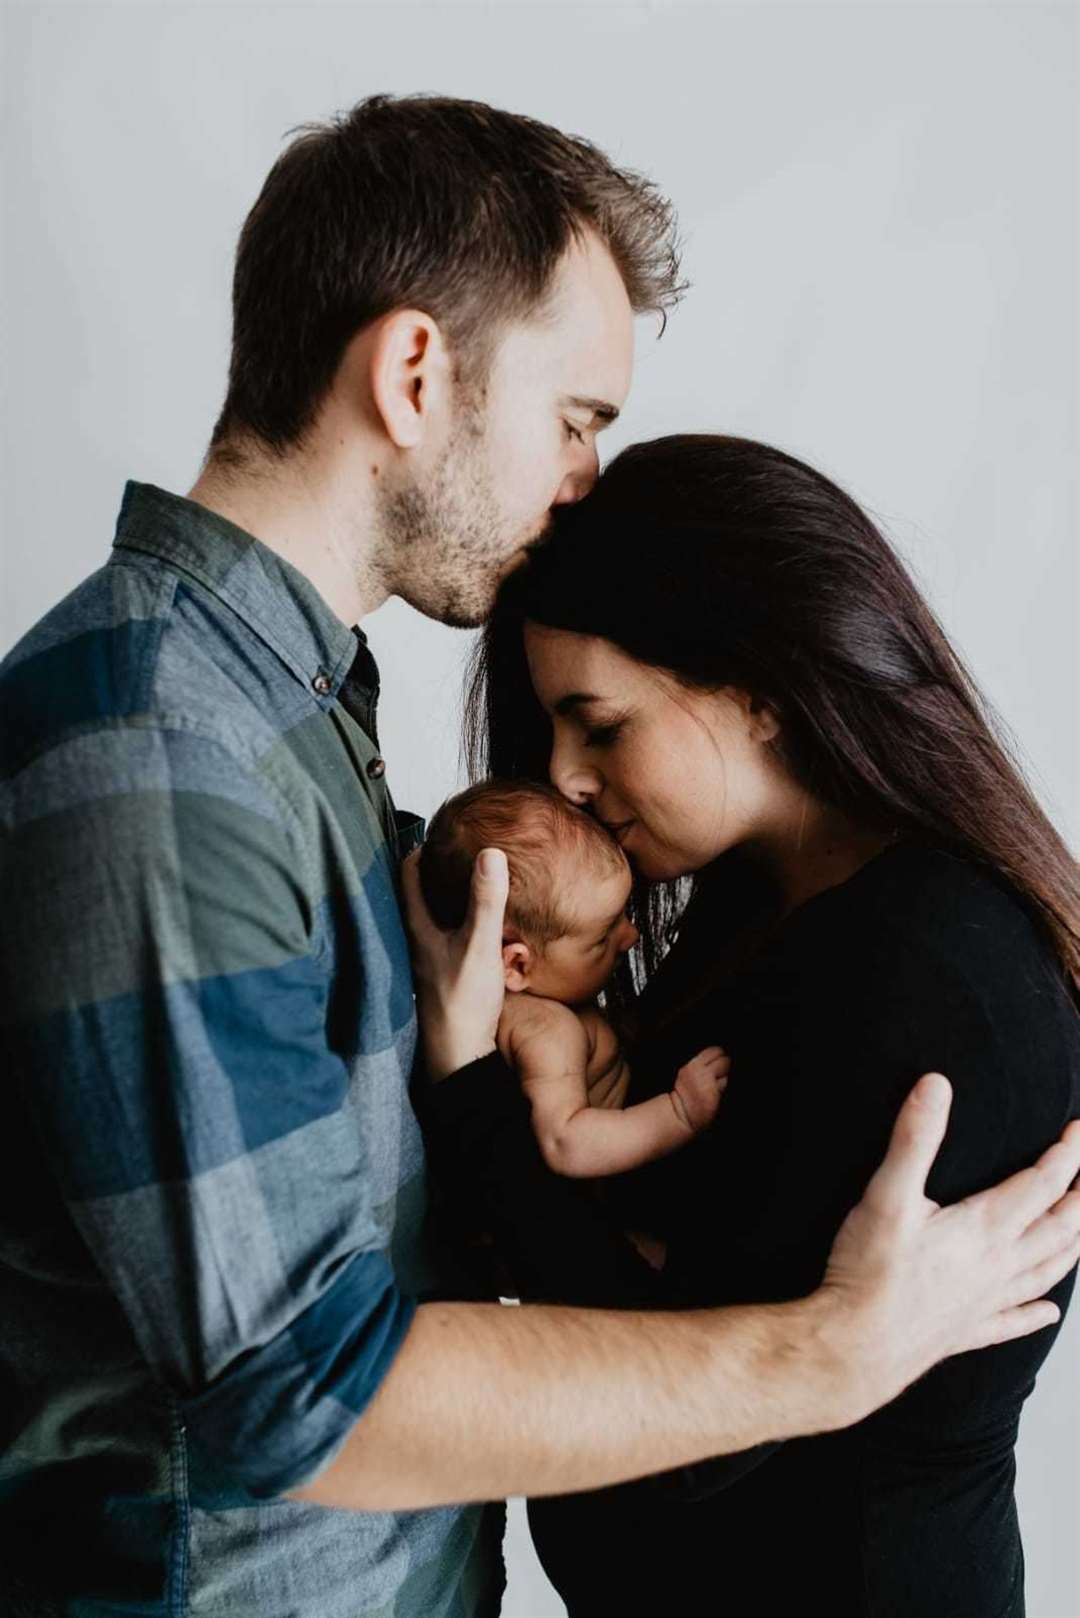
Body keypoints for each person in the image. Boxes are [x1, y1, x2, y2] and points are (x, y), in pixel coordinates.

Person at [2, 94, 1079, 1618]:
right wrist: (818, 1353)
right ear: (417, 372)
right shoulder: (160, 754)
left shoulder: (284, 715)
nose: (585, 479)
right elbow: (299, 1395)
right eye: (577, 416)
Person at [417, 432, 1080, 1616]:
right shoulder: (765, 904)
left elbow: (683, 1424)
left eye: (601, 726)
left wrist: (471, 1076)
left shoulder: (925, 969)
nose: (564, 779)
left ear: (761, 690)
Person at [420, 779, 730, 1177]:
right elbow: (566, 1143)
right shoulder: (546, 1029)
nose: (631, 936)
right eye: (603, 937)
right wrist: (678, 1113)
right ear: (516, 965)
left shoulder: (552, 1005)